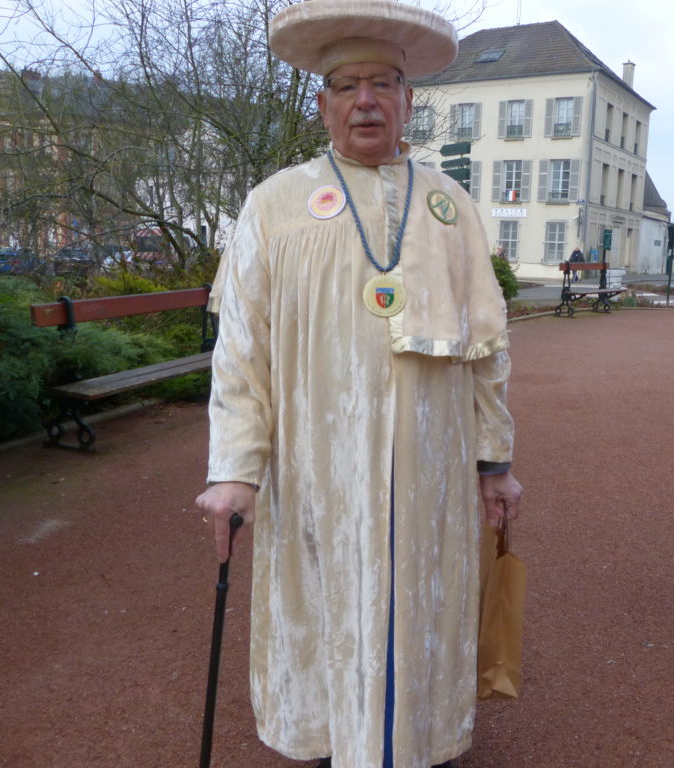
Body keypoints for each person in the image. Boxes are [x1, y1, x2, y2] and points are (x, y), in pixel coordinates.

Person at [194, 2, 523, 767]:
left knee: (421, 609)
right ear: (323, 104)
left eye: (382, 85)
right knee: (324, 610)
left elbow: (485, 350)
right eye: (347, 86)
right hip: (316, 473)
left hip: (430, 475)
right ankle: (332, 744)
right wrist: (235, 470)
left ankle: (418, 745)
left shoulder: (451, 206)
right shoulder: (274, 205)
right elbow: (241, 350)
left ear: (409, 100)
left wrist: (496, 462)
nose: (365, 101)